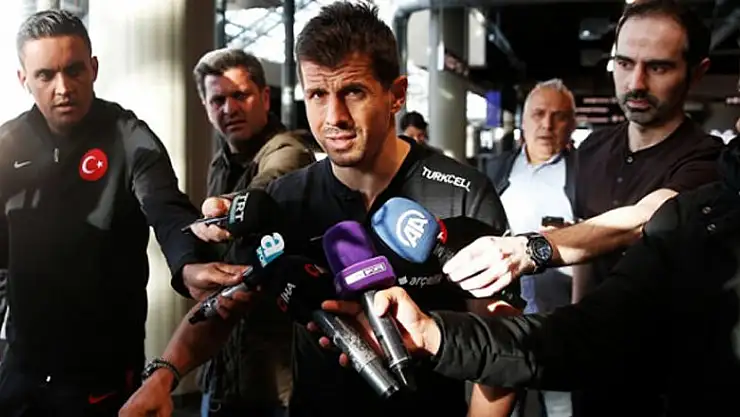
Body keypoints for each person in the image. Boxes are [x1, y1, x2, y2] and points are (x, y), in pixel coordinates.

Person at [120, 3, 518, 417]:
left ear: (396, 94)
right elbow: (225, 307)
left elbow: (501, 346)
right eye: (317, 94)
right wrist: (163, 376)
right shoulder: (285, 199)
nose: (334, 118)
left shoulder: (464, 194)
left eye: (353, 92)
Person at [315, 123, 740, 412]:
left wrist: (529, 250)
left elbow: (648, 215)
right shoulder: (701, 202)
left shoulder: (700, 178)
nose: (335, 116)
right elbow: (588, 335)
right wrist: (432, 335)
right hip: (562, 339)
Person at [0, 10, 247, 417]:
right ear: (24, 79)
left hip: (104, 376)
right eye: (45, 75)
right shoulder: (8, 145)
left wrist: (188, 264)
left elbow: (167, 207)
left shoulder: (129, 136)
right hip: (21, 371)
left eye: (74, 70)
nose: (63, 88)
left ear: (93, 68)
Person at [192, 48, 315, 417]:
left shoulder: (289, 151)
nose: (229, 108)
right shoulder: (222, 161)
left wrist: (222, 210)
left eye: (240, 95)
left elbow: (262, 194)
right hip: (224, 366)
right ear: (206, 106)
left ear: (264, 97)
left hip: (277, 374)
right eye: (218, 100)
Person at [486, 78, 577, 416]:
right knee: (502, 405)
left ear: (572, 124)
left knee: (561, 406)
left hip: (562, 319)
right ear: (523, 121)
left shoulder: (585, 174)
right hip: (504, 318)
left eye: (559, 116)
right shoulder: (496, 169)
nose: (547, 125)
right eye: (538, 114)